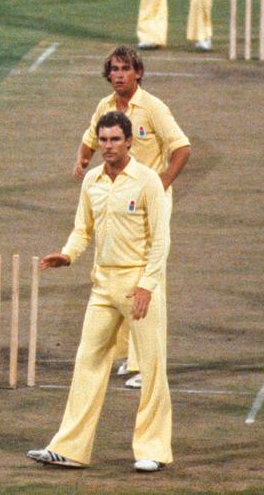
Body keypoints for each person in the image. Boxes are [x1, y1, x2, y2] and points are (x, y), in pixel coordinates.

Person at [27, 112, 172, 474]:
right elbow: (82, 230)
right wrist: (67, 254)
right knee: (87, 361)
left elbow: (161, 240)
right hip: (103, 285)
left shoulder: (147, 181)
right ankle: (70, 448)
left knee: (152, 368)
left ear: (128, 142)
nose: (107, 147)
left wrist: (147, 286)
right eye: (103, 140)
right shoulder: (92, 180)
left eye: (114, 140)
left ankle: (153, 449)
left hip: (138, 285)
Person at [73, 45, 190, 388]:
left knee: (149, 278)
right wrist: (81, 159)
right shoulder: (105, 107)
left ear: (138, 72)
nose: (119, 74)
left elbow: (181, 148)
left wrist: (161, 182)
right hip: (120, 200)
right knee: (120, 273)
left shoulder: (153, 107)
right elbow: (89, 139)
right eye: (114, 69)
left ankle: (146, 365)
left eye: (125, 68)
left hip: (149, 203)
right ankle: (127, 354)